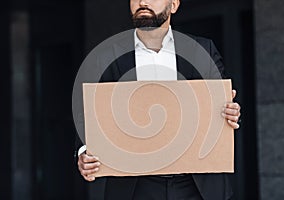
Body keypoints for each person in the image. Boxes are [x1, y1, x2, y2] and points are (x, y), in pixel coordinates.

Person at [76, 0, 241, 199]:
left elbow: (223, 106)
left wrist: (231, 112)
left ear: (173, 5)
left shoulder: (202, 49)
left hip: (197, 185)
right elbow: (90, 112)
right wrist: (84, 151)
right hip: (136, 186)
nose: (142, 2)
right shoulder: (108, 56)